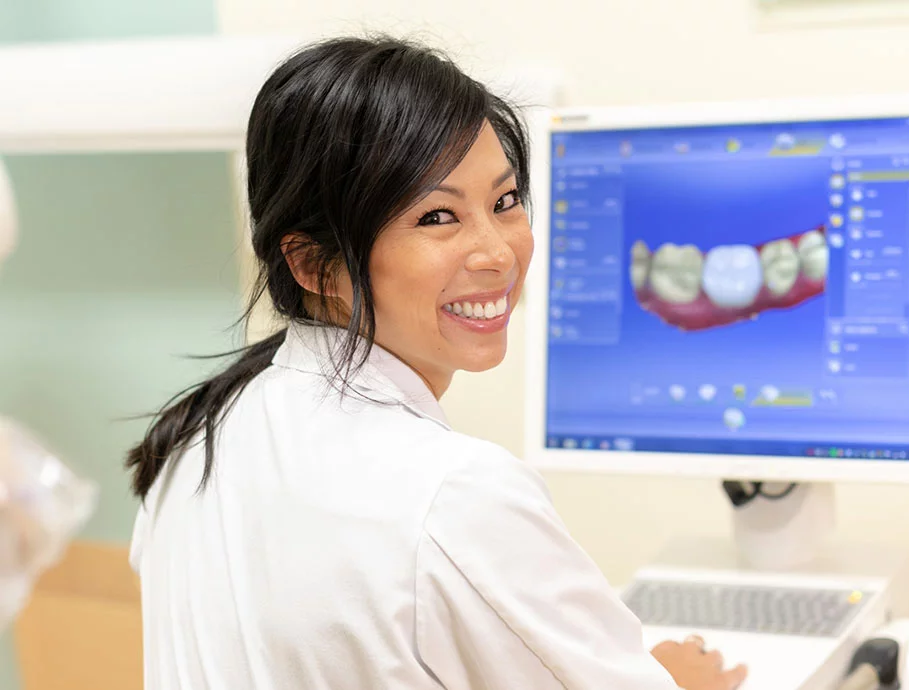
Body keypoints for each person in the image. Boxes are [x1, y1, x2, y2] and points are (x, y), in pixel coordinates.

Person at [126, 35, 748, 690]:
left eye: (505, 202)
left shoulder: (197, 437)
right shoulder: (453, 496)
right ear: (313, 263)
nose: (498, 254)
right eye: (438, 216)